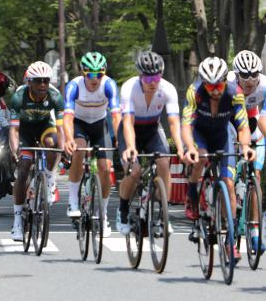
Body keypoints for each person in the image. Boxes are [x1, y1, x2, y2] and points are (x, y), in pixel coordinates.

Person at [182, 55, 254, 261]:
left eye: (219, 85)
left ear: (225, 81)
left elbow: (242, 126)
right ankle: (192, 197)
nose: (215, 90)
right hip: (200, 134)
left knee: (229, 184)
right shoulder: (194, 92)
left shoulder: (235, 93)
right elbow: (186, 125)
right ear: (203, 83)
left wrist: (246, 146)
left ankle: (230, 242)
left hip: (223, 135)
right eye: (210, 86)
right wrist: (189, 148)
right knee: (201, 157)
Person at [116, 51, 184, 235]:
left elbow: (173, 123)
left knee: (164, 163)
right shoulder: (129, 88)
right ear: (140, 76)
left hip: (153, 129)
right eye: (148, 78)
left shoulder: (167, 89)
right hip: (131, 130)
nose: (153, 82)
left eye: (156, 76)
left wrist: (179, 147)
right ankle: (122, 211)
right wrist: (131, 147)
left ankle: (163, 215)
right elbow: (128, 123)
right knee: (134, 170)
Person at [63, 51, 120, 236]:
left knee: (105, 168)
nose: (95, 79)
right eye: (91, 74)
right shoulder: (74, 86)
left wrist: (120, 137)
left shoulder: (109, 85)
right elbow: (67, 117)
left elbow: (116, 114)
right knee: (78, 151)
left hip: (100, 125)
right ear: (83, 73)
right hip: (79, 124)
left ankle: (103, 215)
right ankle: (72, 200)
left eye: (99, 74)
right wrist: (69, 139)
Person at [9, 61, 64, 241]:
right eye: (38, 81)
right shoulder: (19, 97)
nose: (42, 85)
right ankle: (17, 221)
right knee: (24, 169)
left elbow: (61, 129)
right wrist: (15, 150)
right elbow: (14, 130)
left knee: (52, 142)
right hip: (24, 131)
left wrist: (62, 150)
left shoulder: (55, 97)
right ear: (29, 82)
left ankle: (49, 178)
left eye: (46, 81)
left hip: (44, 128)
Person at [227, 50, 266, 253]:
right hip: (229, 122)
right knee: (230, 179)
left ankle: (254, 232)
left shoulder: (265, 85)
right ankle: (230, 225)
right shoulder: (228, 86)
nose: (250, 80)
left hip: (252, 121)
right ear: (236, 75)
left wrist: (256, 141)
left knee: (256, 176)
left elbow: (263, 121)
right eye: (245, 75)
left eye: (254, 75)